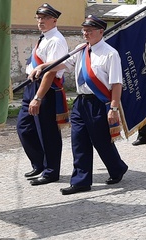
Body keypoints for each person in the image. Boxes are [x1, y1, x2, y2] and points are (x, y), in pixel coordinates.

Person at [31, 15, 128, 195]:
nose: (86, 33)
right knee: (78, 141)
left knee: (101, 141)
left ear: (101, 31)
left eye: (90, 30)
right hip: (80, 102)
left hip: (98, 102)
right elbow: (62, 64)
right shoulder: (80, 49)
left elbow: (116, 83)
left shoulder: (110, 53)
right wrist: (42, 67)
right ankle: (81, 181)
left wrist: (114, 108)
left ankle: (117, 168)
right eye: (84, 30)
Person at [18, 4, 69, 186]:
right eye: (38, 18)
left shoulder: (56, 40)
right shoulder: (44, 38)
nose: (40, 21)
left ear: (54, 20)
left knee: (47, 132)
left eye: (44, 18)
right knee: (24, 127)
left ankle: (51, 171)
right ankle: (39, 163)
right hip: (32, 85)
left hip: (46, 89)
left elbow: (50, 72)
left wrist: (38, 97)